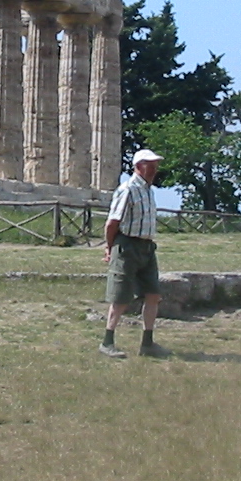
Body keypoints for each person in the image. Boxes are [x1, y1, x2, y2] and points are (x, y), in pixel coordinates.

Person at [101, 149, 168, 359]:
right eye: (150, 165)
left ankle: (147, 343)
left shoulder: (149, 190)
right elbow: (112, 222)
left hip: (147, 247)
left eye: (156, 165)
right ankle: (107, 341)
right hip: (127, 246)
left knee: (153, 295)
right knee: (120, 296)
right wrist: (110, 247)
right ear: (138, 166)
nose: (154, 169)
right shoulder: (127, 189)